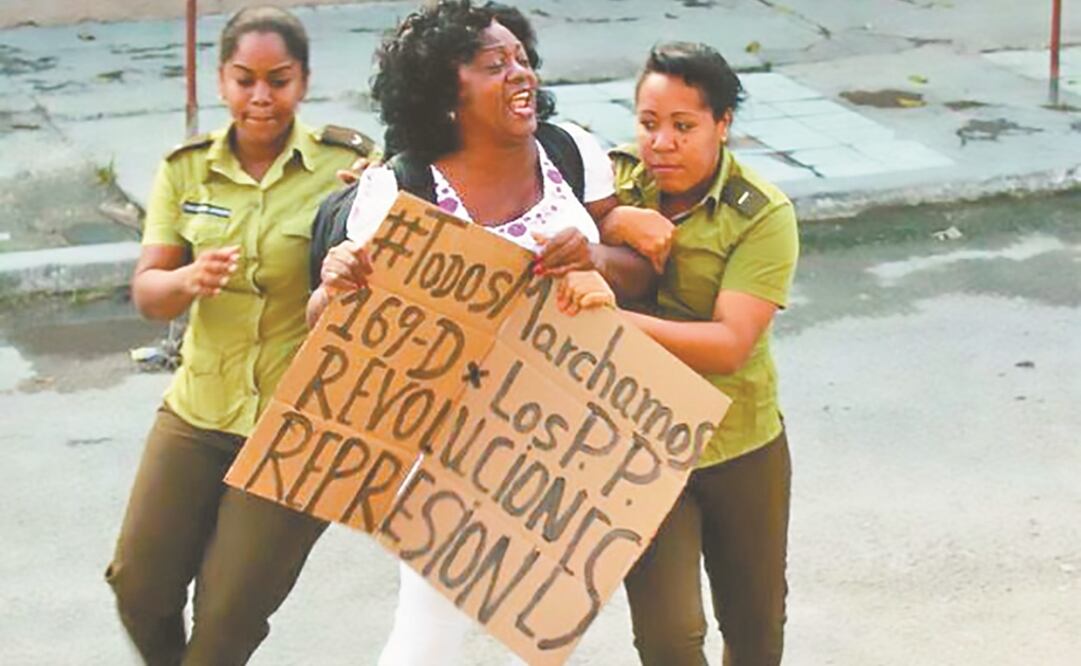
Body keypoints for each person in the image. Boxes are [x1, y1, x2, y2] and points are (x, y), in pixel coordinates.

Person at [307, 2, 657, 664]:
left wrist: (592, 260)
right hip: (447, 442)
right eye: (494, 66)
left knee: (545, 634)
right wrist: (336, 284)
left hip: (562, 436)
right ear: (444, 93)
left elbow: (635, 273)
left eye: (521, 58)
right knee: (427, 633)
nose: (519, 74)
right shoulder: (397, 191)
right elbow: (329, 332)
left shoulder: (568, 150)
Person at [103, 7, 374, 665]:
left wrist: (372, 215)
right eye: (244, 79)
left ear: (302, 81)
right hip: (199, 410)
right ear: (222, 80)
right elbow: (147, 294)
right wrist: (189, 279)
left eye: (277, 80)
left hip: (298, 426)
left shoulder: (351, 169)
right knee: (138, 586)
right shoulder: (186, 170)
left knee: (225, 619)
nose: (260, 97)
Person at [595, 42, 800, 666]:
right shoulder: (615, 183)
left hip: (740, 443)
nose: (662, 143)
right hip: (641, 445)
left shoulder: (762, 215)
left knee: (755, 625)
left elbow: (729, 345)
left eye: (683, 127)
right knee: (667, 638)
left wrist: (612, 326)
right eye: (649, 123)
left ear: (722, 125)